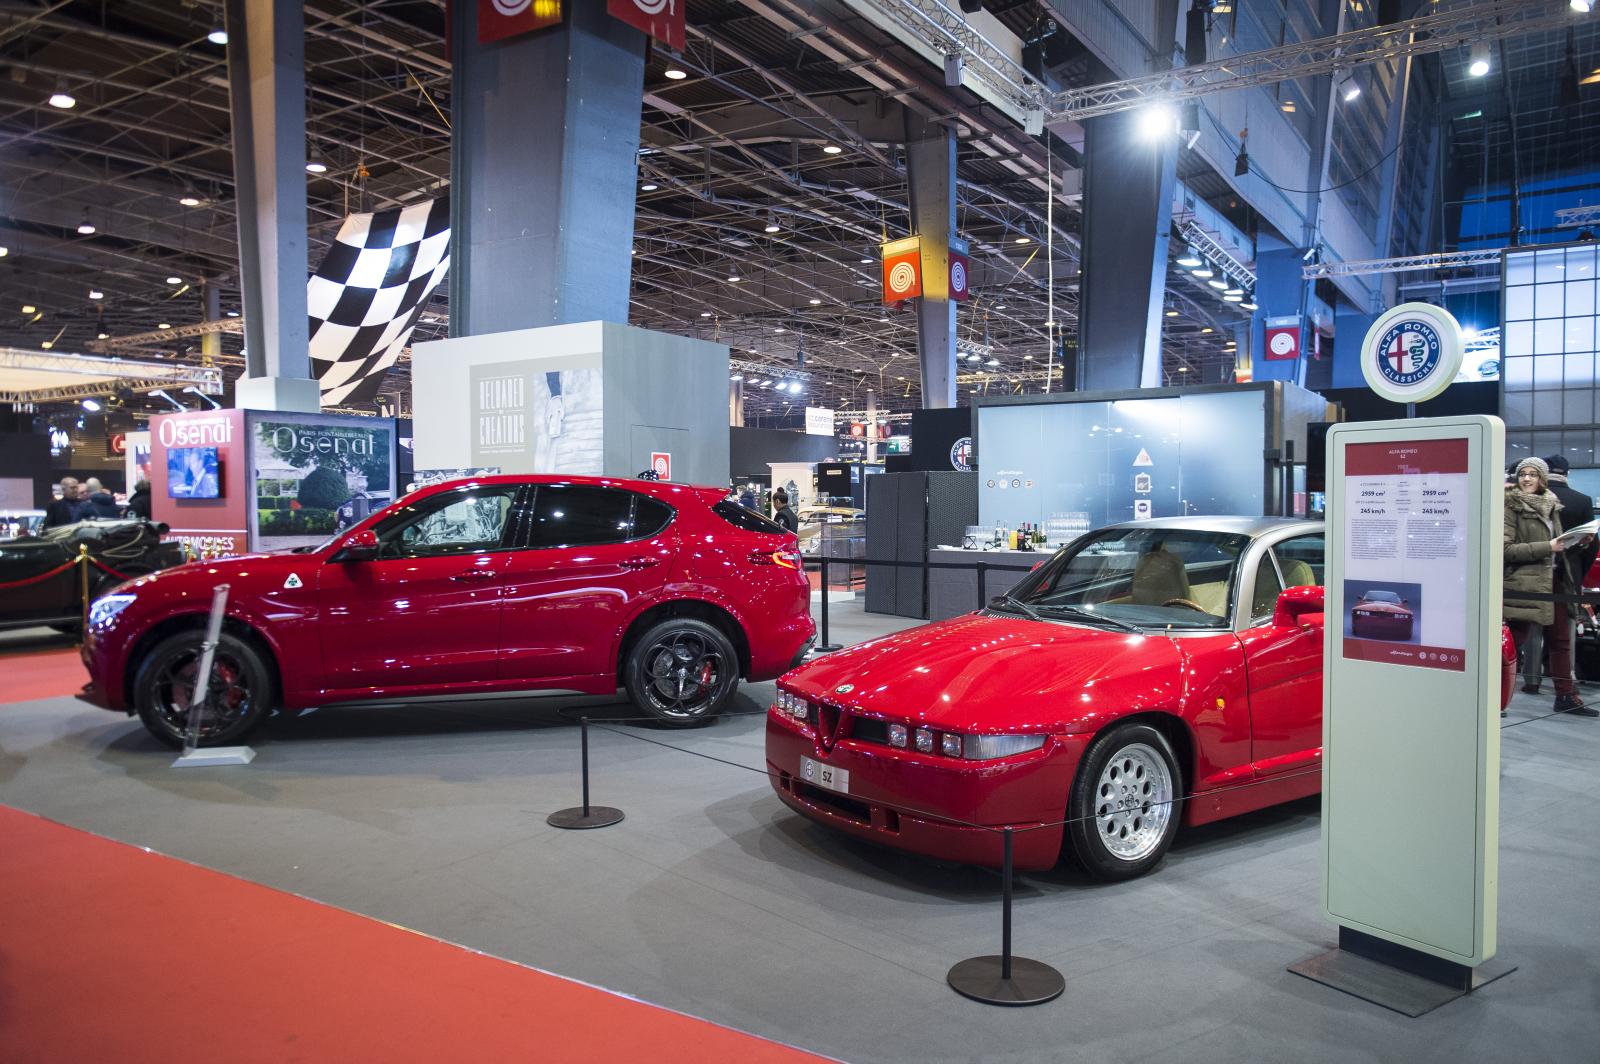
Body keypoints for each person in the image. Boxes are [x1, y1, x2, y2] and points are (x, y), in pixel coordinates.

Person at [1504, 457, 1595, 717]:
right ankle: (1490, 695)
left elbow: (1558, 547)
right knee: (1513, 640)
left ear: (1543, 478)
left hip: (1555, 581)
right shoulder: (1510, 505)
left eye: (1533, 474)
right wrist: (1549, 546)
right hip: (1525, 582)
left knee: (1561, 641)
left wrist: (1580, 542)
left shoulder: (1551, 504)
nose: (1527, 478)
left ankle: (1566, 696)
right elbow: (1506, 549)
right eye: (1523, 474)